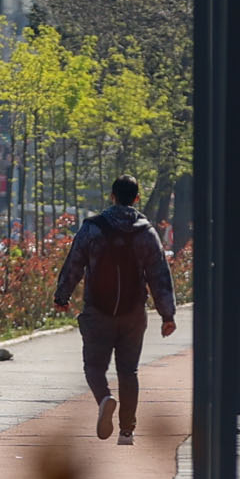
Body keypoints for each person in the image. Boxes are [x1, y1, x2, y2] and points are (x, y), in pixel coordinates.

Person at [52, 176, 177, 445]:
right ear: (137, 198)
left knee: (94, 366)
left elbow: (74, 263)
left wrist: (62, 296)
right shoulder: (146, 232)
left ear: (112, 196)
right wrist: (167, 315)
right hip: (133, 312)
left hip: (98, 310)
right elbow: (159, 275)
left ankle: (104, 398)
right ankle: (126, 432)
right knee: (128, 371)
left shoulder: (93, 228)